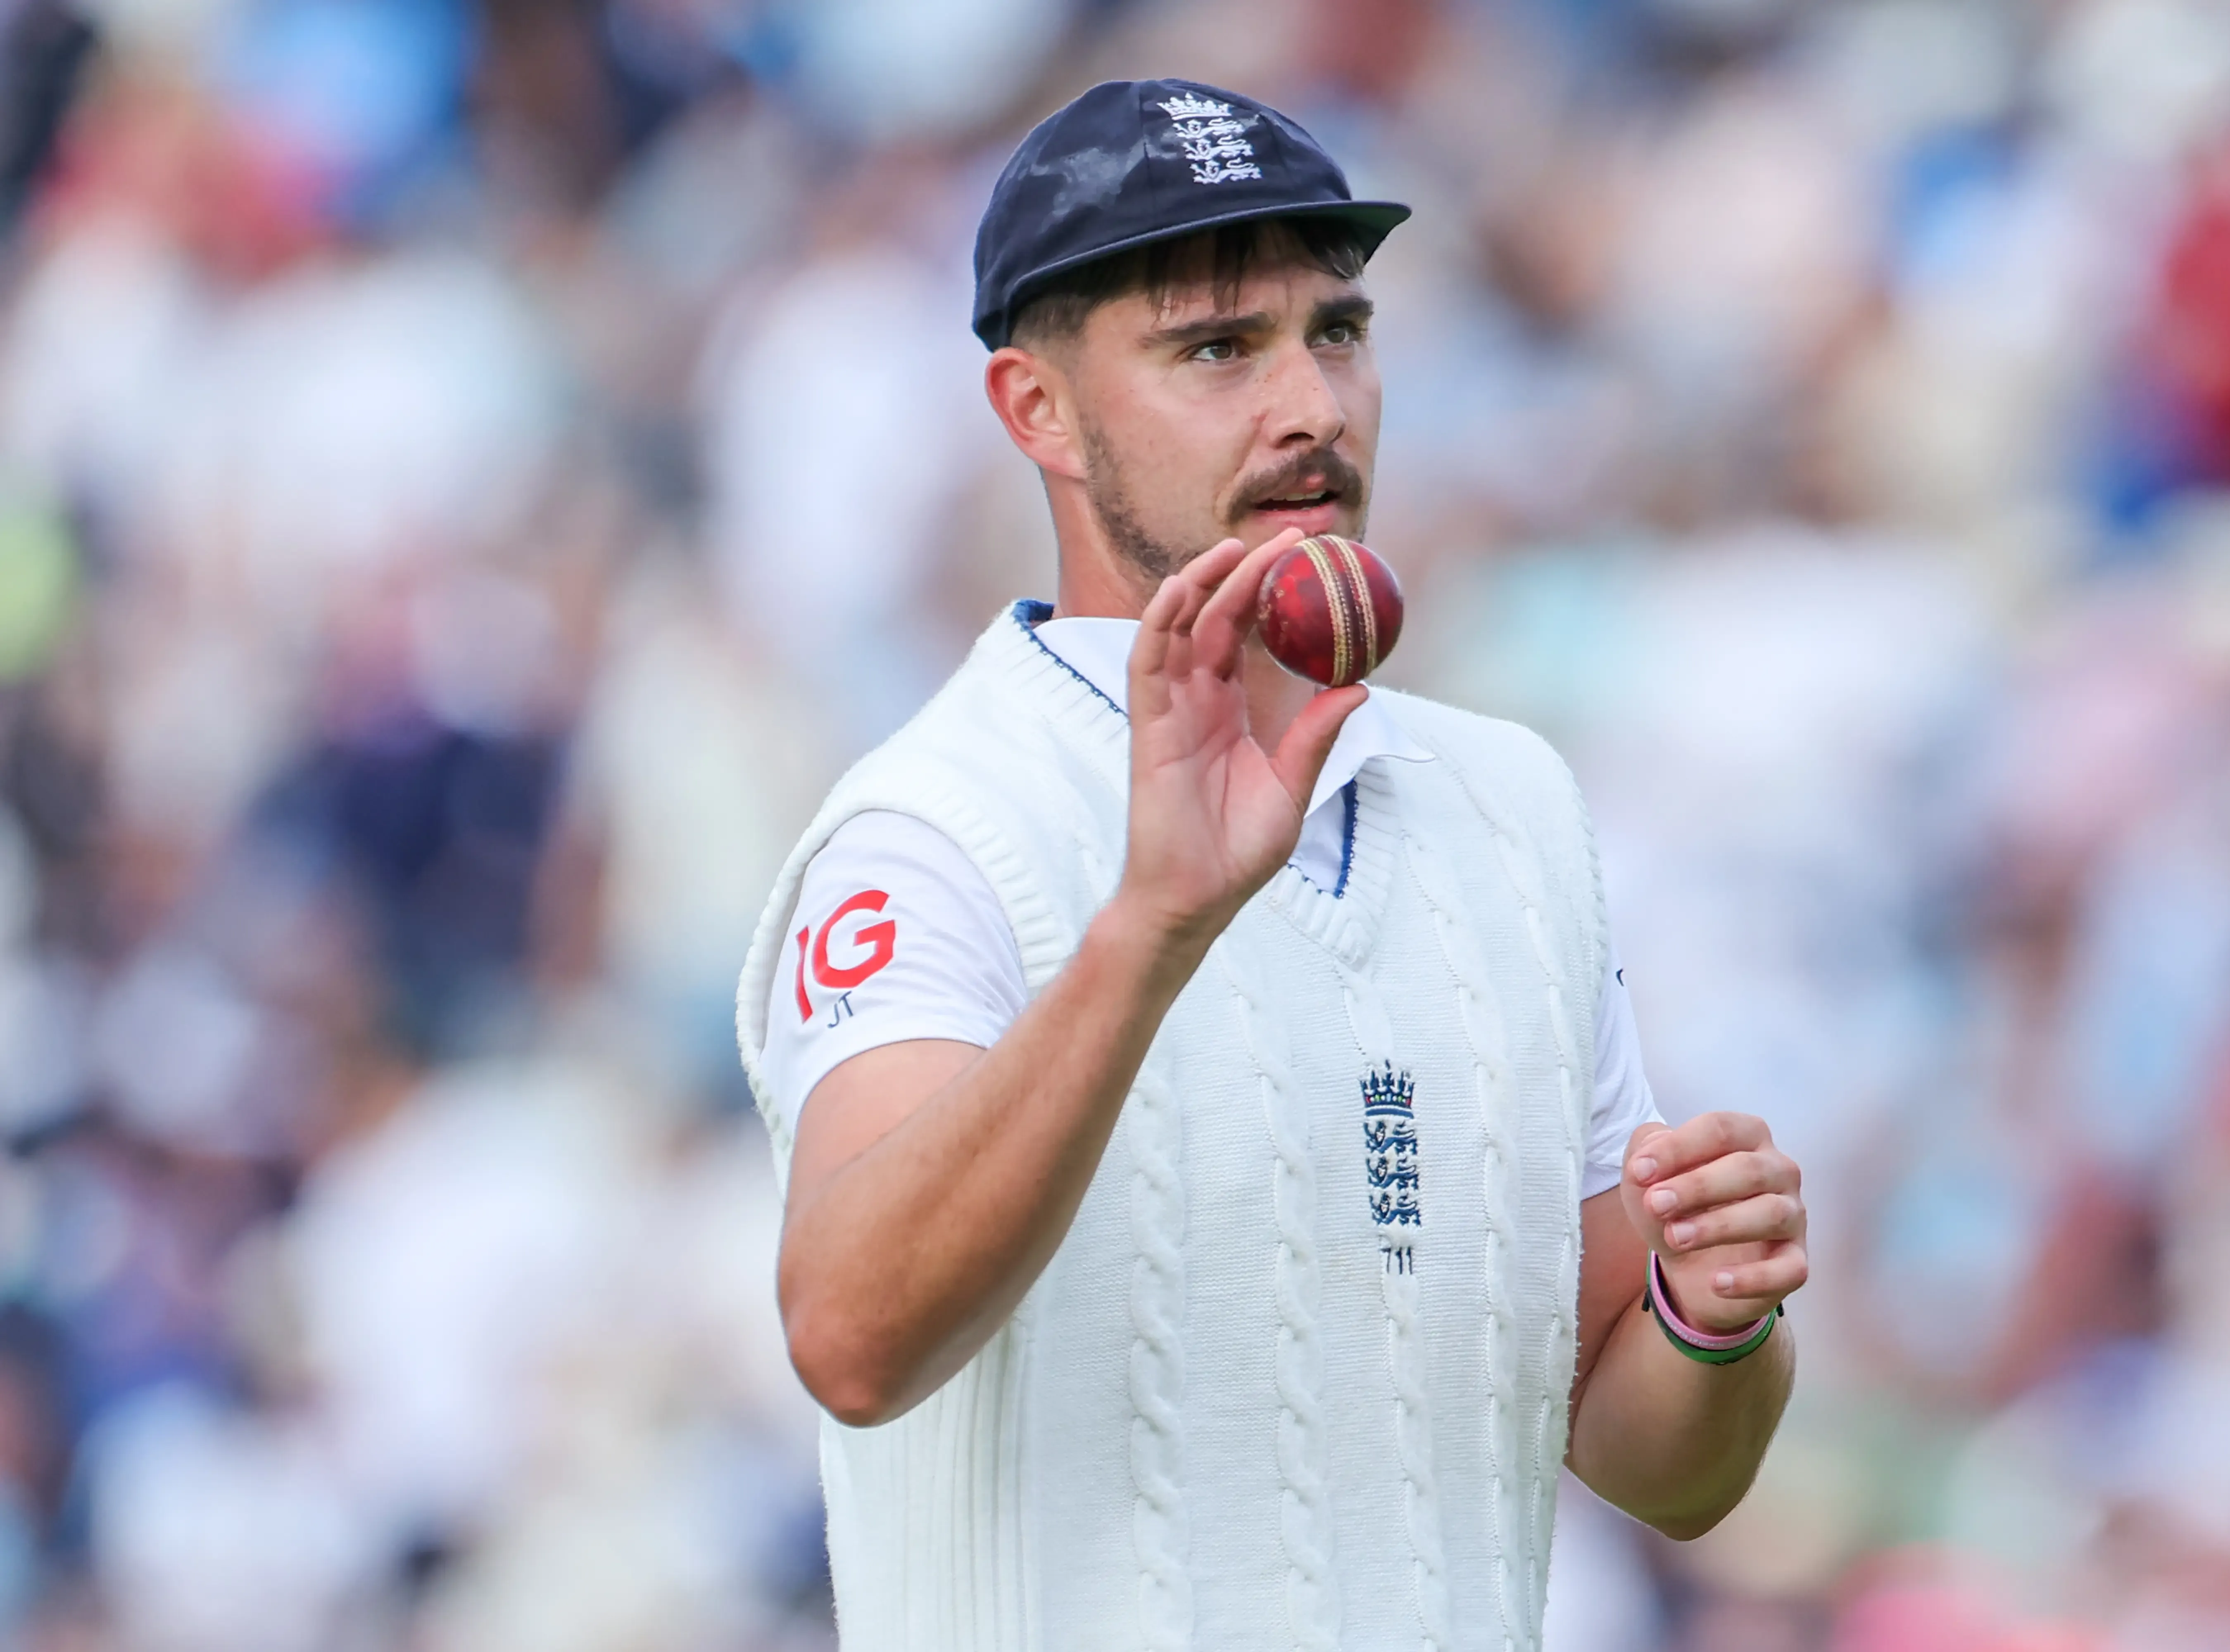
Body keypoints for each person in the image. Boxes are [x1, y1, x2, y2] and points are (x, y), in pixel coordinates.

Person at [735, 78, 1809, 1650]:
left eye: (1338, 332)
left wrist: (1711, 1320)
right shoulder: (935, 823)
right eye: (1217, 348)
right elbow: (850, 1333)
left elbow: (1656, 1465)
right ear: (1036, 409)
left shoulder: (1507, 804)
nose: (1310, 403)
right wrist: (1152, 931)